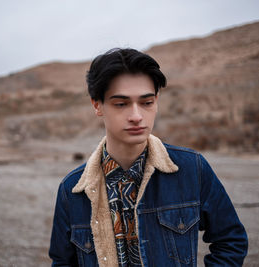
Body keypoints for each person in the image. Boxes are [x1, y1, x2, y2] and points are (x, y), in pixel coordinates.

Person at [49, 48, 248, 266]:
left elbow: (231, 241)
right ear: (97, 105)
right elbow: (62, 262)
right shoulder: (72, 189)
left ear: (157, 101)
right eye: (121, 104)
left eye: (146, 102)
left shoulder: (192, 168)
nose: (136, 116)